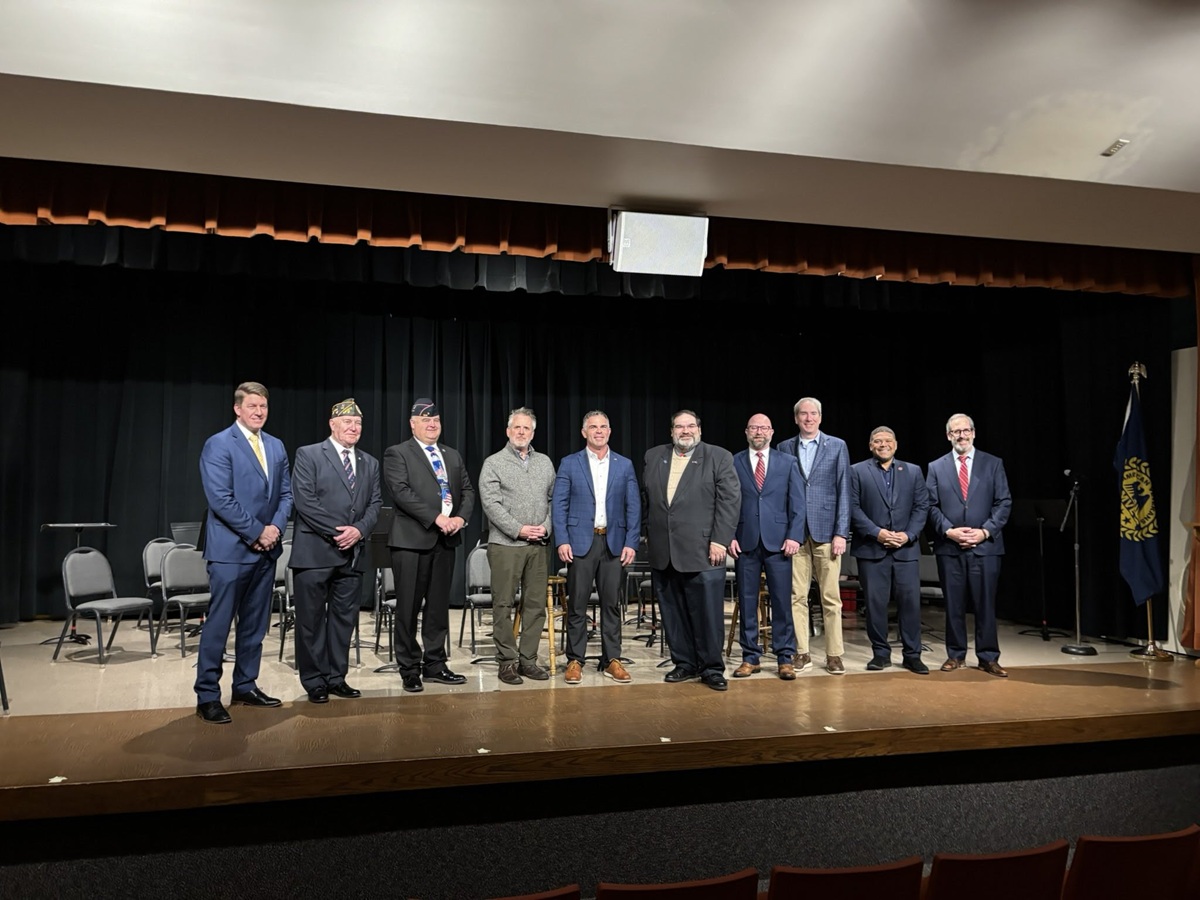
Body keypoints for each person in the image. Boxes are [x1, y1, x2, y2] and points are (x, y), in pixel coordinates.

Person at [195, 382, 293, 725]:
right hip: (230, 551)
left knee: (254, 626)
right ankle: (207, 695)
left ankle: (245, 685)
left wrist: (275, 530)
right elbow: (220, 499)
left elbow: (286, 494)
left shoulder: (276, 445)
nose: (259, 412)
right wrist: (256, 531)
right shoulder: (219, 444)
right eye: (252, 406)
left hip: (266, 550)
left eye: (263, 407)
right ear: (238, 408)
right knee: (219, 625)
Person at [289, 398, 382, 703]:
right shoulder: (309, 454)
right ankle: (314, 680)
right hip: (315, 553)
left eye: (357, 423)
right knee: (311, 621)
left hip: (351, 554)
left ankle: (336, 677)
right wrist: (339, 532)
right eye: (347, 422)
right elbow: (305, 502)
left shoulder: (370, 463)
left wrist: (359, 530)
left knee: (344, 620)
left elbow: (374, 504)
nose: (353, 428)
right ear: (332, 424)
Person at [643, 410, 740, 691]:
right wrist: (647, 533)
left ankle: (711, 668)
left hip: (705, 550)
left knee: (708, 615)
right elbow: (646, 497)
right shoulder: (653, 456)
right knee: (672, 613)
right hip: (665, 550)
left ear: (699, 428)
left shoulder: (718, 456)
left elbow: (729, 501)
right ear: (671, 430)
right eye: (679, 426)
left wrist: (720, 540)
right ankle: (684, 663)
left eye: (690, 426)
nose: (685, 431)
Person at [383, 398, 475, 693]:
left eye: (435, 419)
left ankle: (435, 664)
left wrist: (460, 518)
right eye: (425, 420)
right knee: (408, 607)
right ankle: (409, 668)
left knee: (438, 608)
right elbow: (401, 492)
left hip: (446, 540)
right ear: (413, 424)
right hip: (412, 541)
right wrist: (437, 518)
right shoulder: (397, 453)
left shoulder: (452, 455)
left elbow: (468, 491)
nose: (432, 424)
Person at [551, 410, 642, 685]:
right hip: (580, 542)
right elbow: (559, 504)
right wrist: (562, 539)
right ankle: (575, 660)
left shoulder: (624, 465)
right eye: (593, 427)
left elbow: (634, 506)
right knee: (577, 604)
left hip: (613, 543)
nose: (599, 431)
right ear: (584, 432)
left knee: (611, 604)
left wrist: (631, 542)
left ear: (610, 431)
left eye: (603, 427)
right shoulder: (570, 463)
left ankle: (611, 659)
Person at [926, 413, 1012, 677]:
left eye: (965, 431)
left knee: (985, 604)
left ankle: (988, 657)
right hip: (949, 547)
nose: (961, 436)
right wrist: (949, 531)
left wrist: (984, 532)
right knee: (953, 603)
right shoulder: (936, 467)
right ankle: (955, 654)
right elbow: (929, 505)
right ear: (948, 436)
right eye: (955, 432)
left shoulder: (992, 464)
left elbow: (1004, 502)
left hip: (985, 547)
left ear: (973, 432)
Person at [478, 407, 556, 685]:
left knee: (535, 605)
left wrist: (546, 527)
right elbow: (491, 505)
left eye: (527, 429)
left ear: (533, 433)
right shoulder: (494, 463)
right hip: (506, 545)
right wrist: (518, 529)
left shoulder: (545, 462)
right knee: (503, 603)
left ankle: (528, 660)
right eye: (517, 428)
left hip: (538, 544)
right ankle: (507, 662)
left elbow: (553, 500)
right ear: (508, 431)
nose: (522, 432)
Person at [777, 397, 851, 674]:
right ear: (796, 418)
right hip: (795, 535)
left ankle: (834, 654)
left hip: (826, 533)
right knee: (796, 595)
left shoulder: (837, 446)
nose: (808, 418)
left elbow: (844, 490)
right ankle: (802, 653)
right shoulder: (784, 447)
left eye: (813, 414)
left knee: (830, 597)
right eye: (803, 414)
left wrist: (841, 532)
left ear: (820, 417)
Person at [729, 414, 806, 680]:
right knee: (747, 601)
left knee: (782, 602)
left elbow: (798, 503)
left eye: (763, 427)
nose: (758, 432)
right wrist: (729, 535)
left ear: (772, 432)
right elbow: (727, 502)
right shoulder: (734, 461)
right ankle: (750, 657)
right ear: (746, 432)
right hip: (745, 540)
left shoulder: (788, 462)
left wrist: (795, 536)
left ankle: (785, 657)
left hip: (779, 542)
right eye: (754, 427)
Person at [849, 426, 931, 675]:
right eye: (877, 441)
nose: (882, 444)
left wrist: (907, 535)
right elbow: (852, 508)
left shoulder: (913, 471)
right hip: (872, 549)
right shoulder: (856, 471)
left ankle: (912, 655)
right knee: (875, 604)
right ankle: (881, 653)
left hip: (905, 550)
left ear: (895, 444)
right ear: (870, 445)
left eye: (887, 440)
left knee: (910, 604)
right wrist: (877, 532)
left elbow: (921, 506)